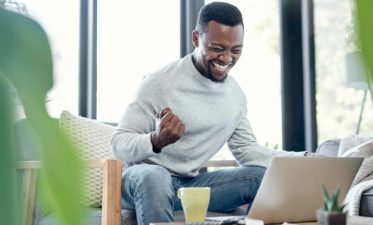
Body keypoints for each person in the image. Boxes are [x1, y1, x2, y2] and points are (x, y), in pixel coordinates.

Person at [112, 2, 308, 225]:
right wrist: (155, 140)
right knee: (156, 176)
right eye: (217, 48)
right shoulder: (159, 83)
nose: (226, 59)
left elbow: (246, 150)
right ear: (196, 39)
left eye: (236, 50)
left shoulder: (235, 96)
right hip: (141, 182)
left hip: (188, 186)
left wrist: (302, 159)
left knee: (261, 177)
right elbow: (118, 142)